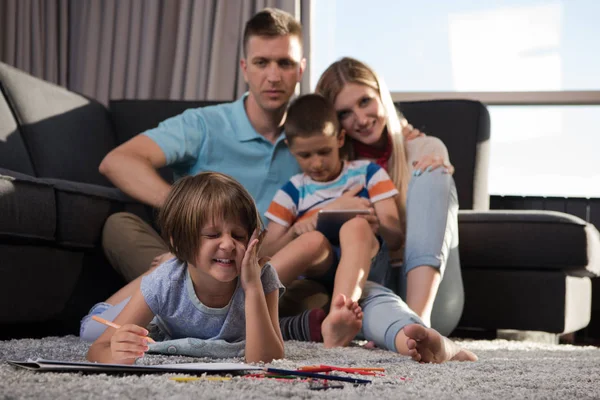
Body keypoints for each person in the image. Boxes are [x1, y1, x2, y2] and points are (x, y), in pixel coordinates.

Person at [315, 57, 459, 330]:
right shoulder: (331, 169)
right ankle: (405, 330)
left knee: (434, 172)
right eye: (344, 113)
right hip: (374, 285)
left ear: (382, 95)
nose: (360, 119)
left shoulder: (422, 147)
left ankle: (419, 320)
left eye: (365, 101)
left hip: (432, 288)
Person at [83, 172, 284, 364]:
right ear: (180, 242)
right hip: (147, 312)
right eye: (213, 235)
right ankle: (166, 262)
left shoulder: (262, 277)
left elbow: (267, 360)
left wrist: (252, 288)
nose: (229, 245)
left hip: (176, 278)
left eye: (239, 236)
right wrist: (117, 354)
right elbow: (98, 349)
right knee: (90, 330)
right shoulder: (165, 281)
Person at [261, 94, 402, 348]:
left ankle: (341, 312)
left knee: (355, 226)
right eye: (305, 155)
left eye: (324, 152)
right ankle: (239, 301)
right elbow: (268, 250)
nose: (316, 163)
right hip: (319, 273)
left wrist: (375, 221)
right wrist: (298, 229)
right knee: (311, 239)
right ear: (291, 149)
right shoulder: (293, 190)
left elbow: (395, 237)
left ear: (339, 139)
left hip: (368, 266)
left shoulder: (368, 173)